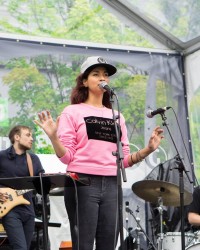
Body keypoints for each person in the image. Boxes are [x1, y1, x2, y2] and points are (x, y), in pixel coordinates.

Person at [35, 56, 164, 250]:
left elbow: (124, 160)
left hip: (112, 184)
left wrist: (148, 150)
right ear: (85, 82)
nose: (102, 78)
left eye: (105, 75)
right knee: (84, 244)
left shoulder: (117, 116)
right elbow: (67, 157)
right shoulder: (72, 112)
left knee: (108, 244)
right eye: (96, 74)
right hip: (82, 182)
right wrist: (54, 137)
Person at [0, 125, 45, 250]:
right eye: (28, 135)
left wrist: (49, 181)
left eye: (32, 135)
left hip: (29, 210)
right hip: (10, 211)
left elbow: (42, 187)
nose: (32, 139)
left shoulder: (33, 159)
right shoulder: (2, 157)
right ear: (17, 137)